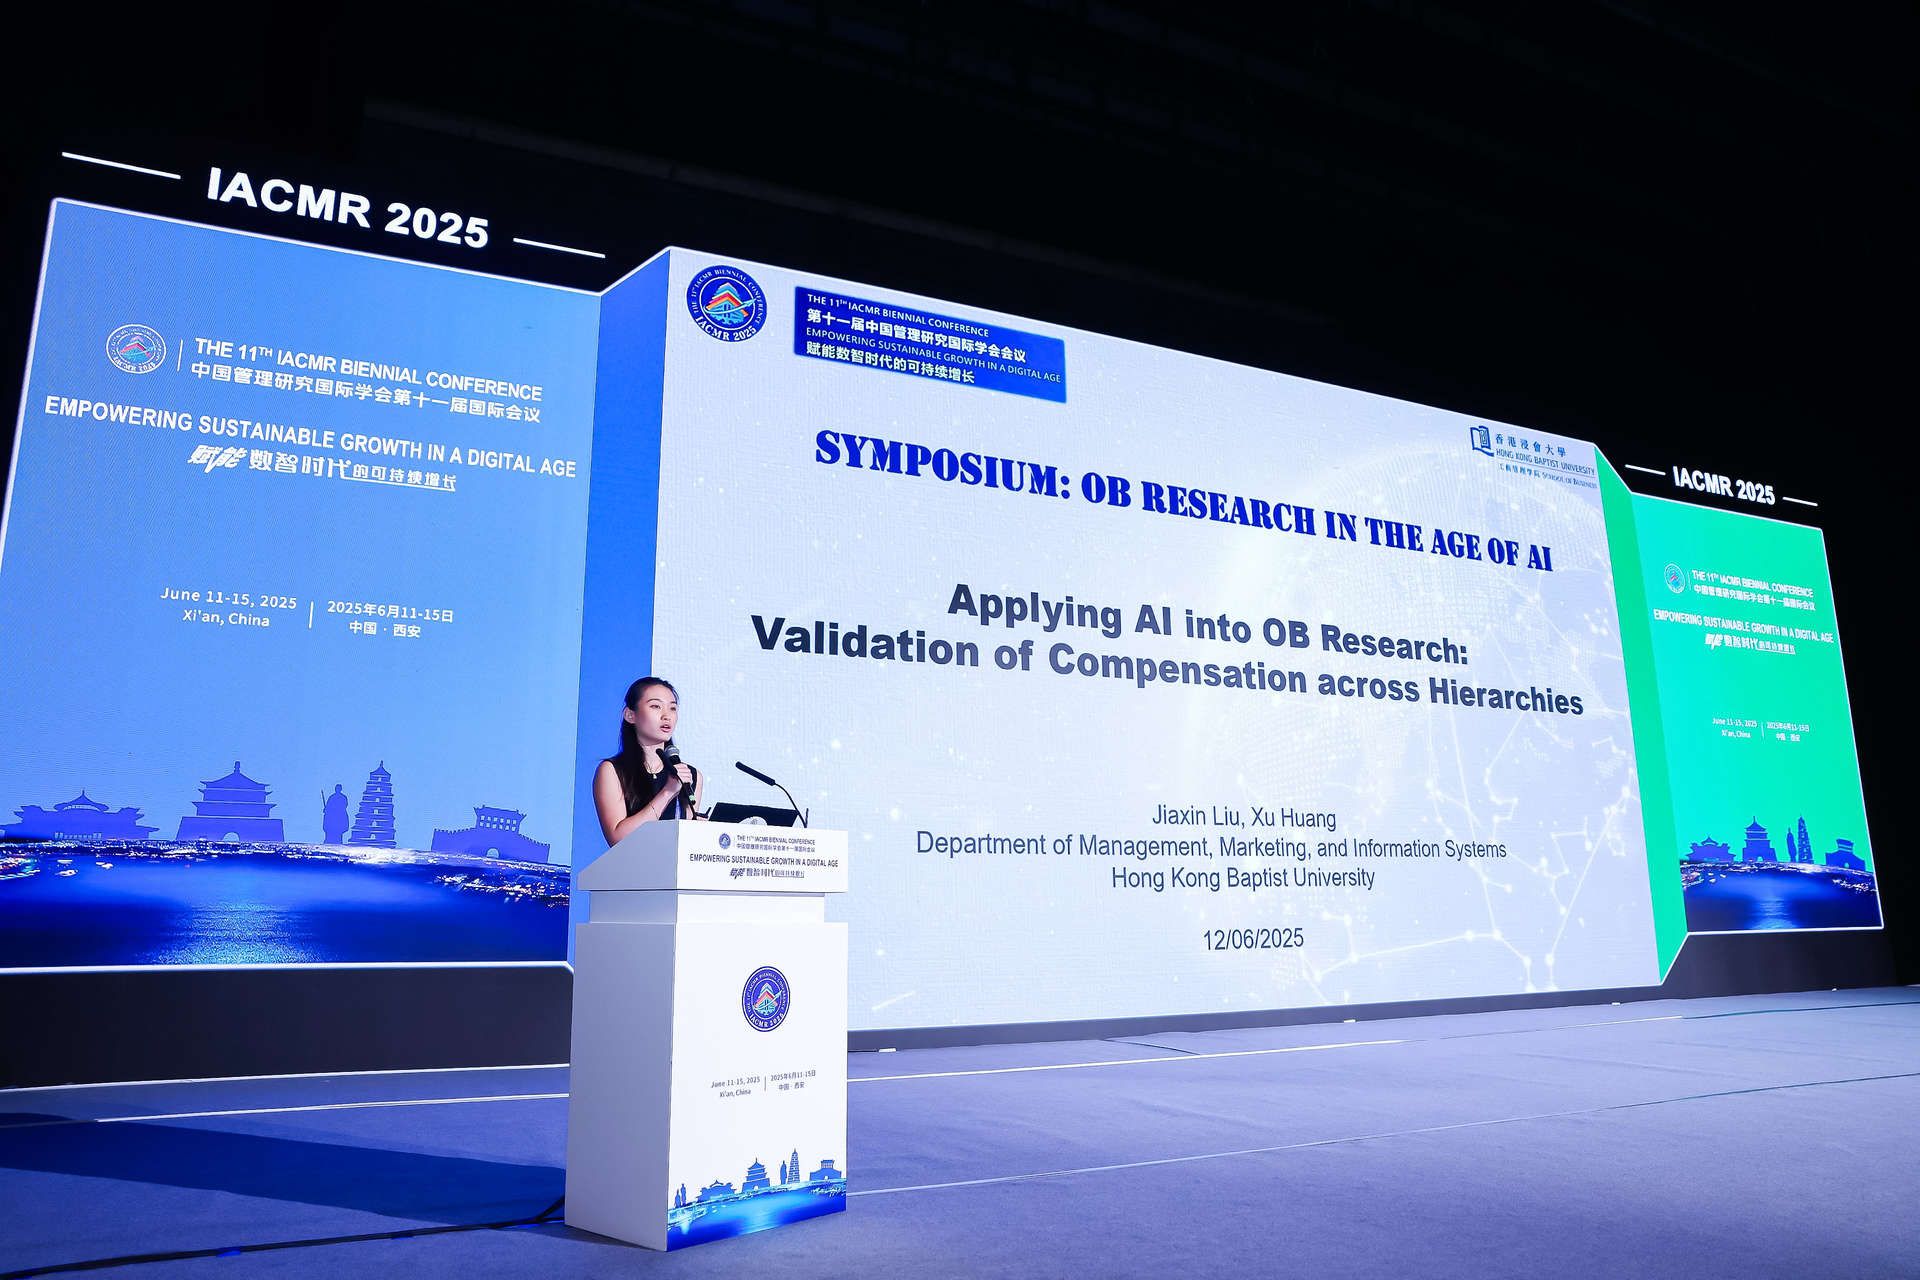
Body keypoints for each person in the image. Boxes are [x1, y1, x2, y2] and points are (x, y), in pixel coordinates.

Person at [592, 676, 705, 844]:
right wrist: (667, 792)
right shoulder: (612, 770)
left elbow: (682, 844)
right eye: (655, 706)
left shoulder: (691, 775)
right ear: (630, 715)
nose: (667, 716)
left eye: (672, 708)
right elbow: (618, 839)